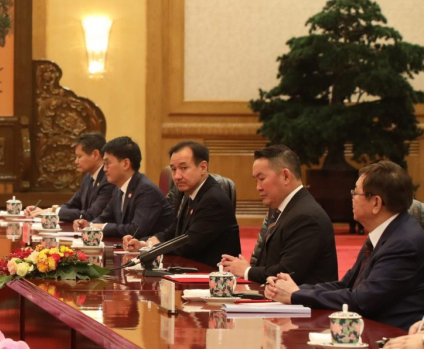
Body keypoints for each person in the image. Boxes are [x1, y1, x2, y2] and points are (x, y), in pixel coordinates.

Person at [266, 160, 424, 330]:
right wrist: (295, 289)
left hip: (391, 337)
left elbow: (362, 301)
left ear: (376, 203)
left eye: (356, 193)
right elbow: (345, 285)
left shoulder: (403, 244)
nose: (352, 198)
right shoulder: (386, 233)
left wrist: (296, 295)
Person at [220, 145, 337, 285]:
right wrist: (245, 267)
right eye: (256, 180)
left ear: (285, 176)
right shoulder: (280, 209)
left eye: (262, 179)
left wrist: (247, 271)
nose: (258, 187)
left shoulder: (306, 216)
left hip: (303, 298)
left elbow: (287, 273)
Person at [123, 141, 240, 266]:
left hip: (212, 273)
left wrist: (150, 248)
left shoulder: (213, 200)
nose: (177, 176)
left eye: (183, 168)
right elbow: (172, 233)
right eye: (174, 169)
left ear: (203, 167)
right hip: (192, 269)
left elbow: (187, 246)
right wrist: (142, 244)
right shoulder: (191, 194)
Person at [73, 136, 173, 240]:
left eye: (107, 163)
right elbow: (106, 217)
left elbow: (136, 230)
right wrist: (89, 225)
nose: (105, 169)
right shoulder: (119, 188)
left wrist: (102, 227)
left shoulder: (146, 190)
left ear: (125, 164)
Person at [29, 132, 113, 223]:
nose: (76, 161)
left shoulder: (108, 179)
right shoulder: (88, 177)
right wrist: (47, 211)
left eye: (79, 156)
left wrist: (55, 212)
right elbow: (71, 205)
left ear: (95, 155)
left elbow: (92, 215)